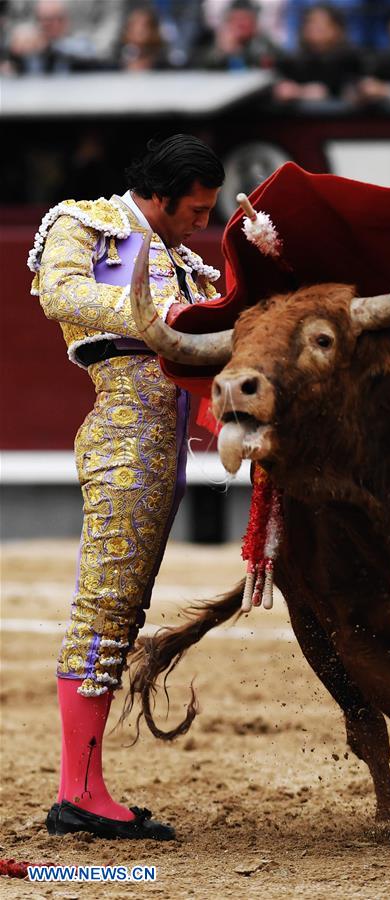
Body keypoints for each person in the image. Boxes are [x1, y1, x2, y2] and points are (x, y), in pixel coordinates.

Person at [28, 134, 225, 840]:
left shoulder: (190, 264)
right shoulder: (83, 223)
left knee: (124, 604)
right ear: (160, 196)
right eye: (194, 211)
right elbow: (61, 292)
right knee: (106, 604)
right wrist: (163, 314)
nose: (202, 223)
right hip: (124, 431)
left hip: (170, 440)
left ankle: (83, 785)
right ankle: (77, 792)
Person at [274, 2, 362, 103]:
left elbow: (357, 89)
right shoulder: (290, 63)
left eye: (323, 23)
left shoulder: (353, 61)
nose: (315, 28)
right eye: (311, 23)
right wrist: (298, 92)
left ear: (338, 29)